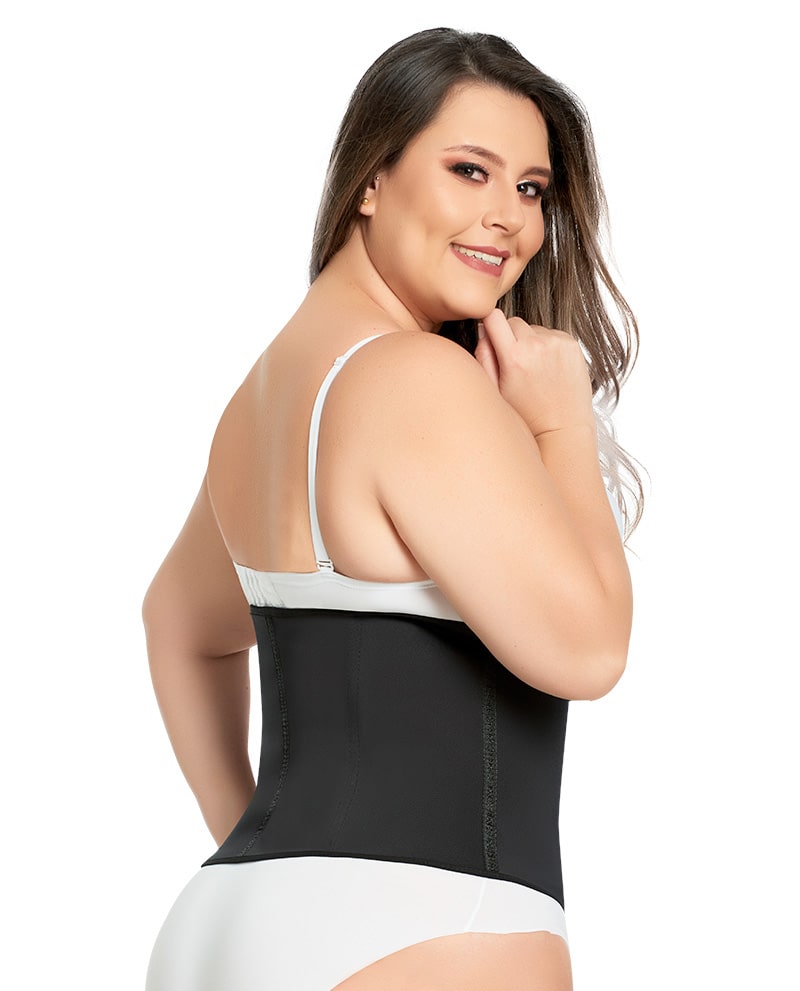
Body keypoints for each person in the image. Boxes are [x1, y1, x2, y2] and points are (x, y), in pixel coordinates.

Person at [143, 26, 641, 991]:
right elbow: (588, 650)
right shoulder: (414, 376)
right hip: (436, 924)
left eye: (531, 189)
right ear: (372, 176)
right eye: (470, 170)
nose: (508, 218)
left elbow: (178, 623)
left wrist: (270, 855)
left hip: (229, 927)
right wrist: (560, 424)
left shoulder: (266, 396)